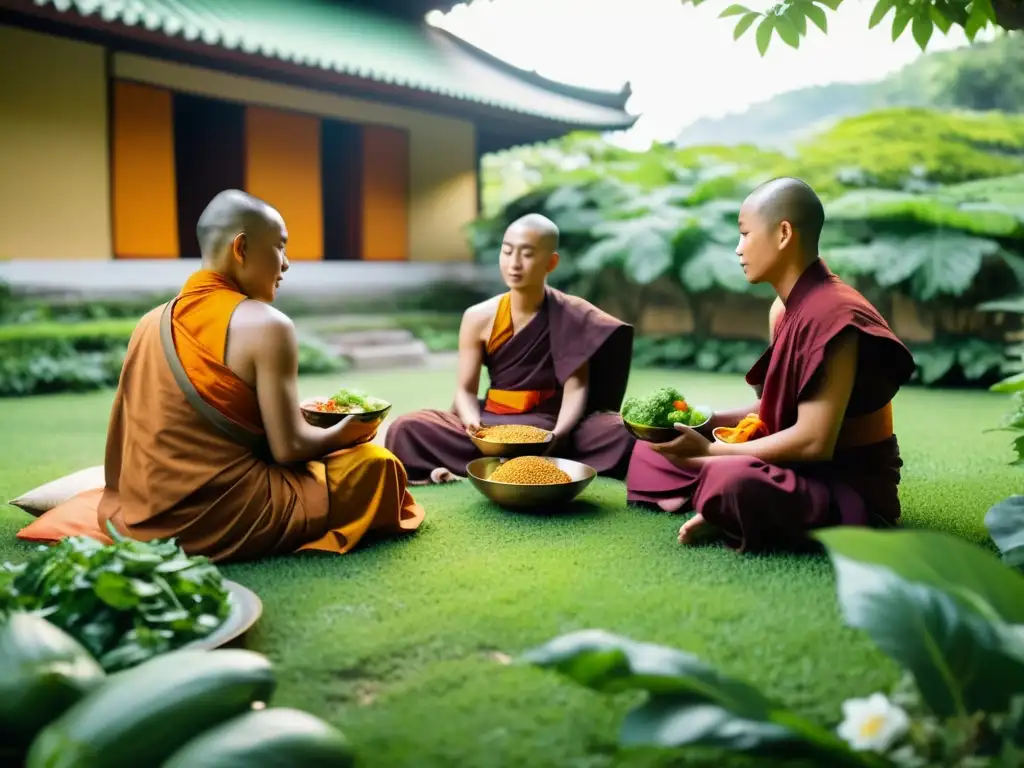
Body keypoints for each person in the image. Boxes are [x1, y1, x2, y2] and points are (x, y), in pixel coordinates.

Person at [18, 190, 425, 561]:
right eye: (280, 248)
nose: (286, 264)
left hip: (143, 515)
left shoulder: (150, 321)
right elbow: (289, 448)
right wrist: (352, 430)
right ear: (242, 248)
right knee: (376, 465)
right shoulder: (269, 324)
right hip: (223, 518)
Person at [625, 177, 916, 553]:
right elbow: (776, 410)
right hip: (787, 465)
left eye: (745, 234)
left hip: (841, 483)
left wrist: (708, 453)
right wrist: (702, 424)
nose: (738, 248)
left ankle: (724, 504)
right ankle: (722, 505)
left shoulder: (837, 316)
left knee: (730, 478)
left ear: (783, 233)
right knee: (651, 449)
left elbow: (813, 442)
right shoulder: (782, 309)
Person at [384, 214, 636, 484]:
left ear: (551, 262)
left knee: (623, 432)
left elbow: (577, 388)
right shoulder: (477, 316)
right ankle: (507, 457)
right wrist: (472, 426)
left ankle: (514, 460)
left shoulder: (570, 314)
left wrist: (558, 435)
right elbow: (465, 390)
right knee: (407, 427)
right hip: (492, 424)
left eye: (527, 254)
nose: (514, 263)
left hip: (552, 422)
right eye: (507, 252)